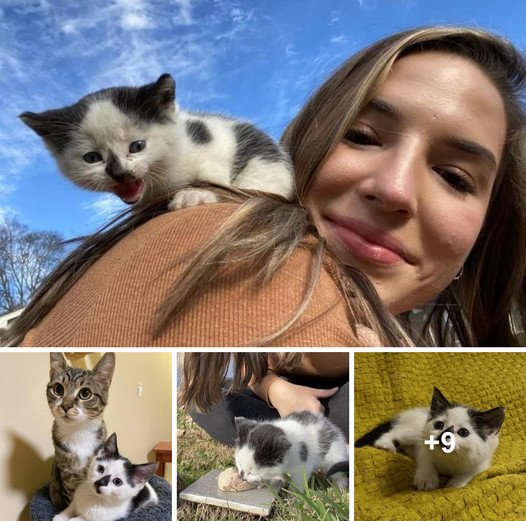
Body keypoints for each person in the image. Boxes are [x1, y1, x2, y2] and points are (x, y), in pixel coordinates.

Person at [6, 26, 526, 347]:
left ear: (492, 220)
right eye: (362, 136)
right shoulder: (214, 241)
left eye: (455, 176)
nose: (393, 189)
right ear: (305, 141)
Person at [178, 352, 349, 446]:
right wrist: (275, 390)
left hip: (341, 392)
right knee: (202, 399)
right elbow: (250, 369)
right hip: (280, 394)